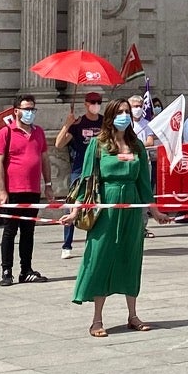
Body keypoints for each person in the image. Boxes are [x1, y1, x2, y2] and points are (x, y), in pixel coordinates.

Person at [68, 101, 171, 336]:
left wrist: (155, 212)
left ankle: (133, 315)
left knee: (130, 258)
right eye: (120, 112)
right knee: (100, 257)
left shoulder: (136, 146)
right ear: (111, 116)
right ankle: (97, 319)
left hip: (132, 210)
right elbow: (86, 181)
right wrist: (74, 211)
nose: (125, 116)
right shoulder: (98, 144)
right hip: (105, 208)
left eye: (127, 112)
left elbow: (144, 184)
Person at [0, 94, 50, 286]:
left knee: (29, 231)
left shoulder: (39, 132)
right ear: (16, 111)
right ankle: (6, 270)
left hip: (33, 189)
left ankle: (26, 269)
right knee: (10, 230)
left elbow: (44, 159)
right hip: (13, 190)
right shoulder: (6, 132)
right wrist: (2, 190)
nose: (30, 112)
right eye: (26, 109)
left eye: (32, 109)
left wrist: (48, 184)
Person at [57, 93, 103, 259]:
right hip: (80, 169)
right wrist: (67, 125)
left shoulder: (105, 122)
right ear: (86, 104)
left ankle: (94, 242)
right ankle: (67, 244)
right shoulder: (78, 123)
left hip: (99, 169)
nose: (96, 105)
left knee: (98, 206)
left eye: (99, 102)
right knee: (72, 205)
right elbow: (59, 143)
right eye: (93, 102)